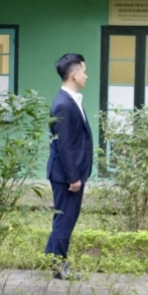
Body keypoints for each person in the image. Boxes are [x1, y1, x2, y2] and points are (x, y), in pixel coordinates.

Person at [45, 54, 93, 280]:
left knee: (64, 218)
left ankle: (51, 258)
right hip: (66, 176)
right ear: (74, 75)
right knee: (65, 219)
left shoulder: (71, 99)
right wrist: (74, 177)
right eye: (83, 71)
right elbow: (64, 146)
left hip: (70, 174)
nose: (86, 76)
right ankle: (57, 266)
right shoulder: (63, 104)